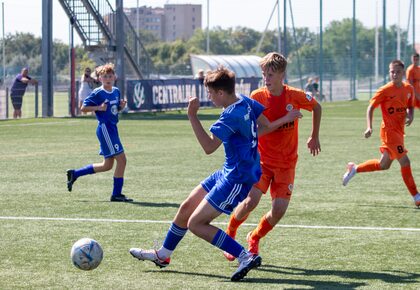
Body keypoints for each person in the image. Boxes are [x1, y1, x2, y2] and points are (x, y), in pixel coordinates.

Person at [129, 66, 301, 281]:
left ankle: (244, 256)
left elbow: (209, 147)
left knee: (196, 224)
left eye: (210, 93)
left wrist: (192, 116)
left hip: (236, 178)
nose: (209, 97)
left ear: (221, 93)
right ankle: (163, 255)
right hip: (229, 170)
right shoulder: (245, 101)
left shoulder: (230, 115)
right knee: (186, 208)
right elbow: (264, 126)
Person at [222, 52, 322, 261]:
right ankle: (230, 233)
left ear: (282, 75)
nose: (266, 79)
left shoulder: (294, 95)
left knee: (278, 211)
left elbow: (317, 107)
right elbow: (257, 131)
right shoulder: (257, 97)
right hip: (262, 162)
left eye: (270, 74)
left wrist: (314, 135)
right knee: (250, 202)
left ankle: (254, 237)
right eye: (264, 74)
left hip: (287, 164)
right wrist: (285, 119)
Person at [343, 59, 420, 208]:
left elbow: (410, 106)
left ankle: (355, 169)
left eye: (398, 72)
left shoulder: (408, 89)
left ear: (403, 73)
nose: (395, 74)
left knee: (383, 165)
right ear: (389, 72)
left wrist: (411, 116)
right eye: (392, 71)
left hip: (399, 132)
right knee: (405, 162)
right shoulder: (385, 90)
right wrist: (369, 127)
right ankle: (416, 196)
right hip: (389, 133)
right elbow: (371, 107)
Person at [66, 63, 132, 202]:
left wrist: (120, 107)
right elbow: (83, 108)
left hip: (113, 129)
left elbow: (114, 110)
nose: (108, 78)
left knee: (107, 165)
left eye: (110, 76)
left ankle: (75, 174)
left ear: (114, 77)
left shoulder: (116, 91)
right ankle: (116, 194)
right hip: (105, 129)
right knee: (122, 160)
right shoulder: (98, 93)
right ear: (100, 79)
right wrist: (99, 108)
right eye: (104, 76)